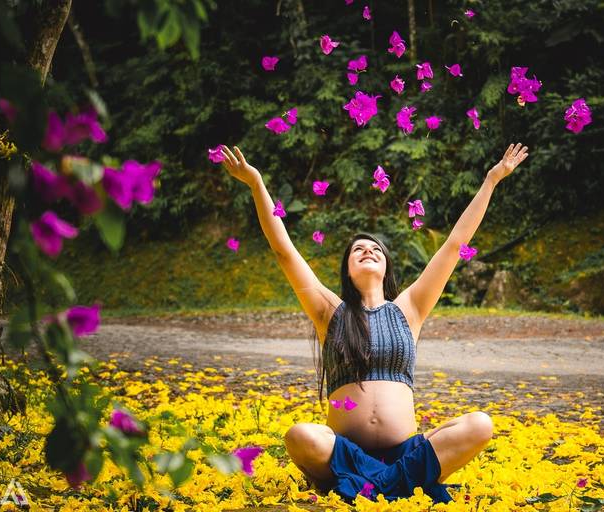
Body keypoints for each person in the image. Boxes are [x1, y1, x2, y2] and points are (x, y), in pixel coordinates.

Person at [219, 143, 530, 503]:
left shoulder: (409, 307)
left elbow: (454, 244)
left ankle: (367, 486)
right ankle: (399, 485)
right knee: (300, 436)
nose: (367, 251)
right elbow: (283, 250)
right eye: (358, 250)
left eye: (375, 250)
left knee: (480, 424)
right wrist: (256, 182)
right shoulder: (329, 312)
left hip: (408, 452)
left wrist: (491, 180)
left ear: (386, 267)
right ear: (348, 271)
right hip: (345, 453)